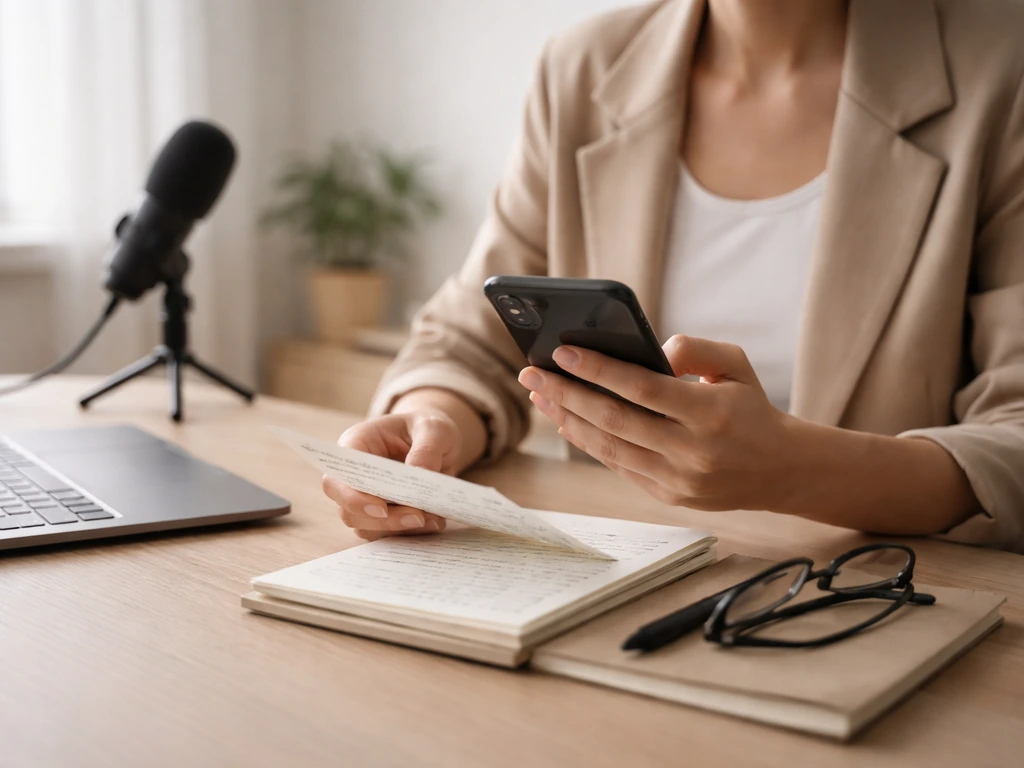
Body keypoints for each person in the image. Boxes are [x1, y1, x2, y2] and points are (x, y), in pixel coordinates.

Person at [322, 0, 1024, 554]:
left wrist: (796, 469)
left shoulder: (1002, 67)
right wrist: (430, 418)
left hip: (878, 600)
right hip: (614, 582)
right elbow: (469, 338)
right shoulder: (583, 69)